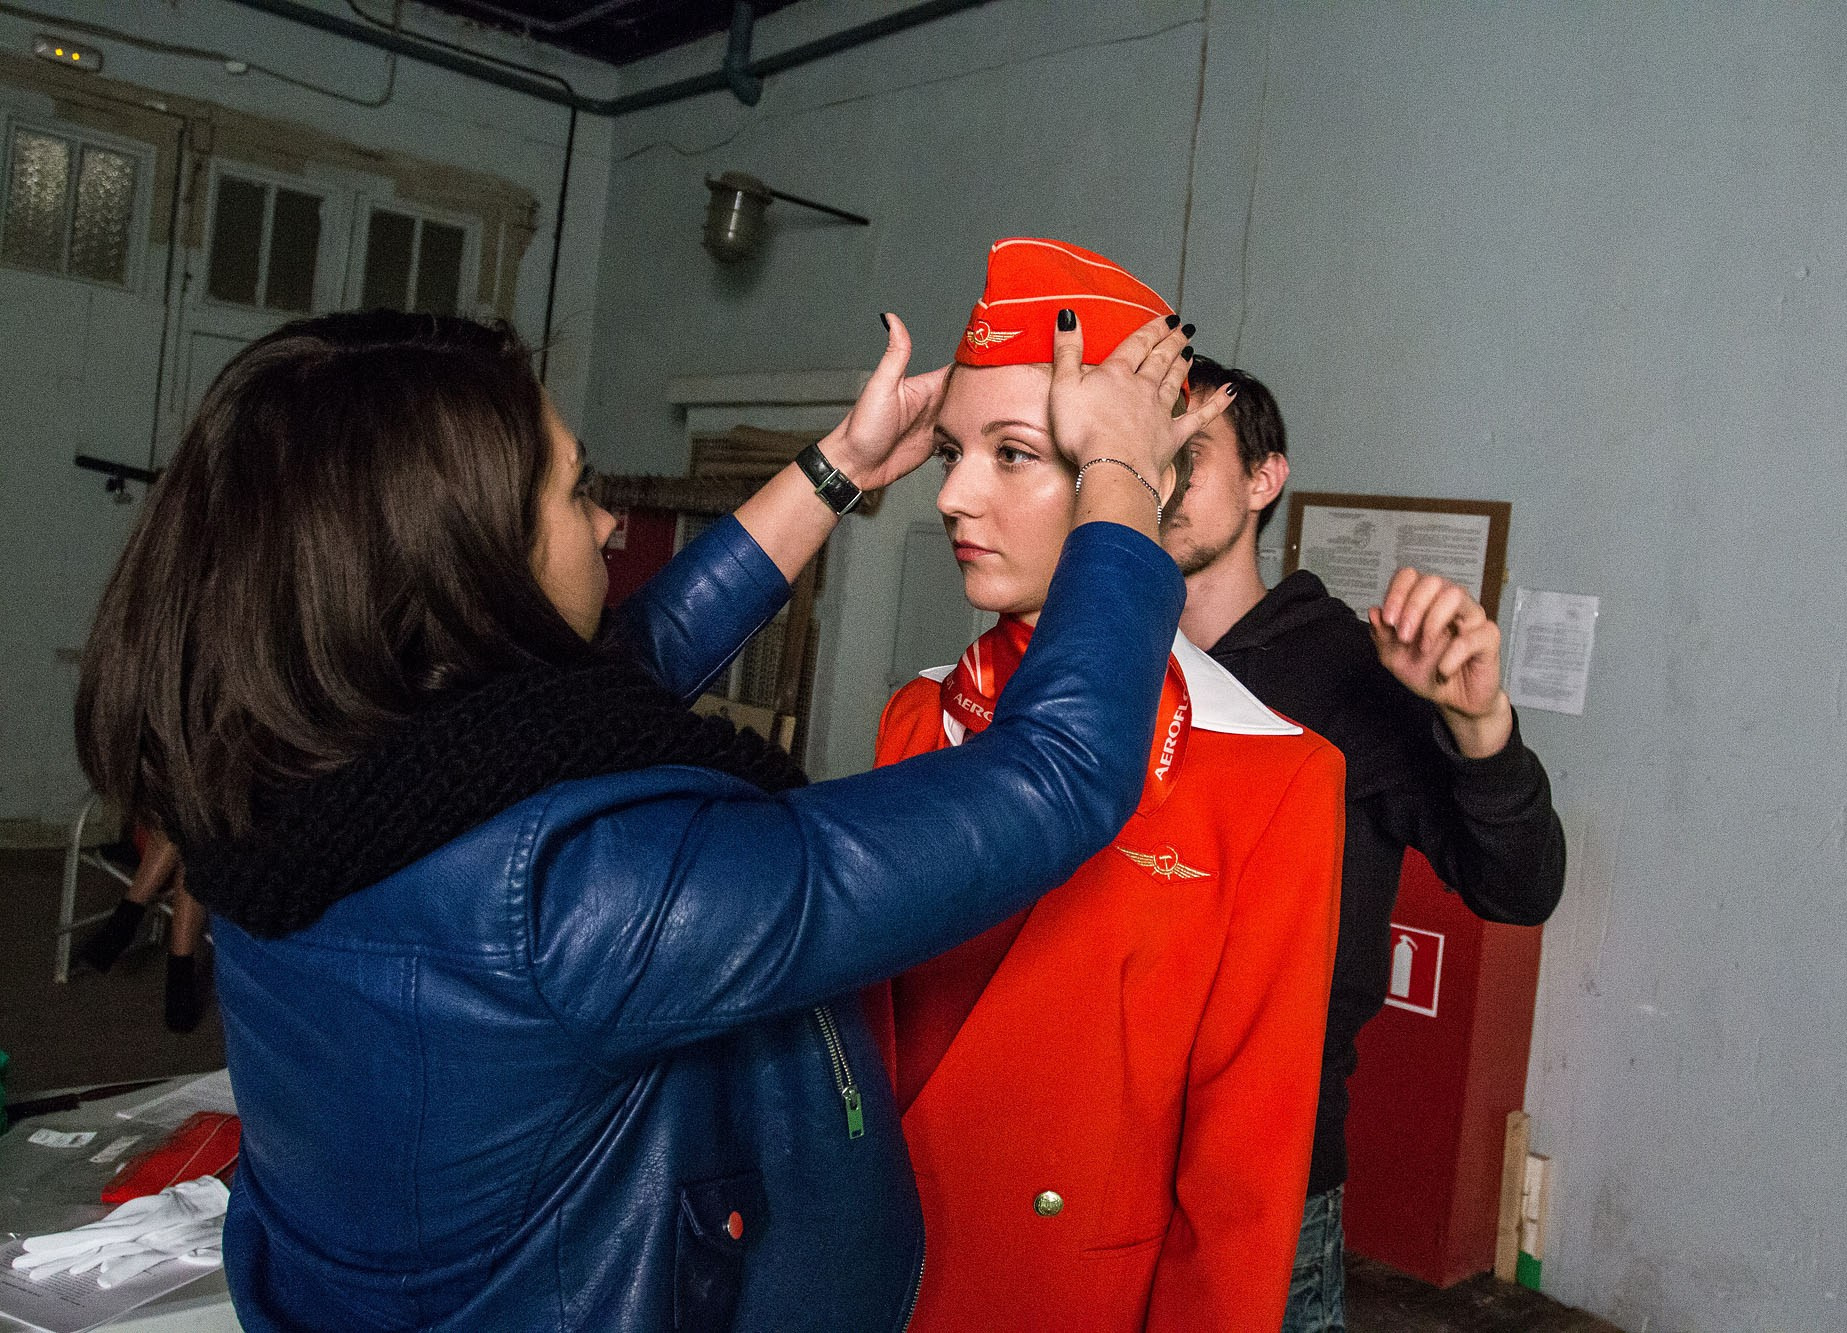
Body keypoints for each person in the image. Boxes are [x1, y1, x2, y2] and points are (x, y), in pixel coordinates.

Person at [73, 306, 1225, 1333]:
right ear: (468, 568)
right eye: (576, 490)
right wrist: (1118, 477)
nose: (614, 522)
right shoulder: (581, 892)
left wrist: (840, 468)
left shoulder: (303, 767)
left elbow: (611, 679)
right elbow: (1057, 776)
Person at [867, 238, 1347, 1332]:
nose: (949, 495)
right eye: (950, 450)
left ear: (1145, 482)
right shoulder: (922, 710)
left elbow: (1239, 1195)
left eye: (1013, 454)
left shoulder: (1269, 773)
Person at [1168, 355, 1569, 1333]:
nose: (1158, 477)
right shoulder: (1096, 656)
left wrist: (1478, 724)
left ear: (1263, 480)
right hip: (1099, 1139)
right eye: (1138, 451)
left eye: (1189, 451)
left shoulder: (1340, 670)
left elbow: (1517, 885)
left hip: (1273, 1163)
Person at [75, 825, 211, 1032]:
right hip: (164, 840)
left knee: (196, 839)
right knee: (187, 823)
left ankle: (121, 926)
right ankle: (179, 977)